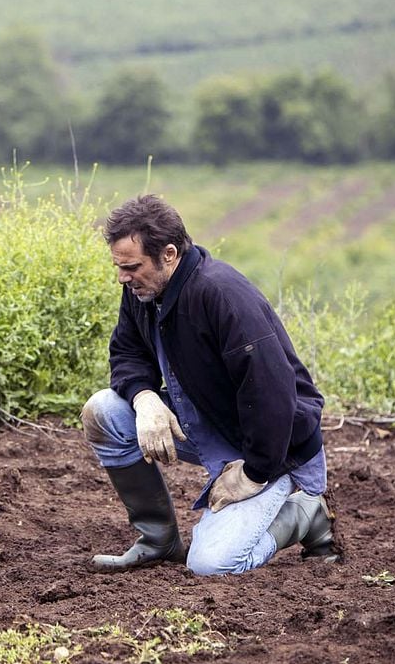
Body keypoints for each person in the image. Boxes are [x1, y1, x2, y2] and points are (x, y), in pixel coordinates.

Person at [81, 194, 338, 576]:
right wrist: (145, 397)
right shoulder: (144, 291)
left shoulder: (222, 295)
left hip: (273, 446)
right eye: (119, 267)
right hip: (205, 422)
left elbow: (273, 397)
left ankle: (307, 513)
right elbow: (126, 352)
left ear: (169, 254)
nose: (122, 277)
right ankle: (159, 541)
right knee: (103, 412)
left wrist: (252, 475)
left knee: (212, 564)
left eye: (131, 266)